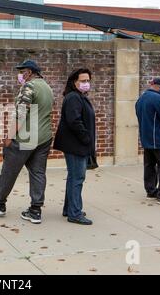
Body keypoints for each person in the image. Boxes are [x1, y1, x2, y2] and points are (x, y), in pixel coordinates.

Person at [0, 60, 54, 224]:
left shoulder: (29, 87)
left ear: (29, 72)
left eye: (22, 71)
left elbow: (21, 114)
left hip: (25, 138)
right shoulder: (48, 88)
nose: (19, 75)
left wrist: (9, 136)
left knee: (9, 171)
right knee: (38, 173)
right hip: (44, 138)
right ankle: (35, 210)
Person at [53, 68, 96, 225]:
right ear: (74, 82)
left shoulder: (79, 96)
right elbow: (74, 121)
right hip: (76, 145)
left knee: (73, 177)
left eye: (88, 81)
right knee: (77, 178)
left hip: (77, 144)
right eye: (83, 81)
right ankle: (75, 213)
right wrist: (86, 138)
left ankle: (70, 208)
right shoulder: (73, 98)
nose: (86, 83)